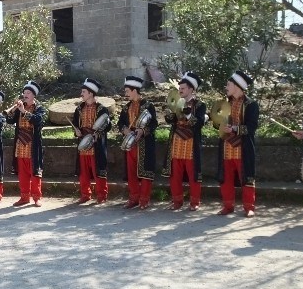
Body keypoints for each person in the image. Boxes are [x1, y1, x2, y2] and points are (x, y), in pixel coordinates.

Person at [162, 72, 207, 211]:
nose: (180, 90)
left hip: (191, 143)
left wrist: (188, 113)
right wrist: (169, 114)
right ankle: (177, 201)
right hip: (176, 142)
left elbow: (198, 124)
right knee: (175, 174)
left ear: (192, 89)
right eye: (179, 88)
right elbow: (171, 121)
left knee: (193, 173)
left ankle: (194, 202)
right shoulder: (177, 103)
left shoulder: (200, 105)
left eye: (183, 88)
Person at [217, 70, 259, 217]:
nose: (226, 87)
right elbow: (218, 122)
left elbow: (252, 128)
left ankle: (249, 207)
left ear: (237, 86)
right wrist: (220, 125)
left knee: (247, 177)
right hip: (226, 147)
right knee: (226, 177)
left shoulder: (251, 105)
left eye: (228, 84)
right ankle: (227, 206)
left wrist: (234, 128)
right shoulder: (225, 103)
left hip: (243, 148)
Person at [117, 75, 158, 210]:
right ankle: (133, 198)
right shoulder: (126, 107)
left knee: (145, 171)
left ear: (134, 90)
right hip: (130, 143)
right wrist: (125, 130)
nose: (126, 93)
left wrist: (143, 131)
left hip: (144, 144)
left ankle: (144, 200)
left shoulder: (148, 105)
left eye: (127, 91)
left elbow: (154, 123)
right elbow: (120, 123)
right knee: (131, 172)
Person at [6, 80, 46, 207]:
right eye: (24, 92)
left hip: (33, 145)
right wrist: (12, 111)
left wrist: (23, 111)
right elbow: (10, 121)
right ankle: (24, 197)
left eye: (28, 92)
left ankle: (37, 197)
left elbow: (37, 120)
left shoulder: (39, 108)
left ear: (34, 95)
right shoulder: (19, 107)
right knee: (22, 173)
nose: (25, 94)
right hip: (20, 144)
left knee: (35, 172)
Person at [72, 78, 112, 204]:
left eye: (83, 92)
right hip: (83, 143)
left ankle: (102, 195)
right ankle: (85, 194)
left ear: (90, 93)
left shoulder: (102, 109)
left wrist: (96, 135)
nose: (81, 94)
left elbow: (107, 127)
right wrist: (76, 131)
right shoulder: (79, 109)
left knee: (98, 170)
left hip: (96, 144)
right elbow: (75, 124)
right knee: (83, 172)